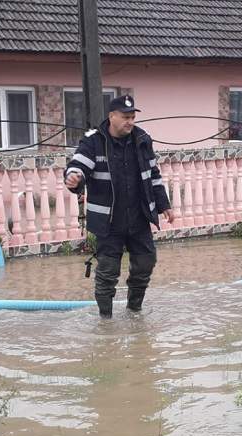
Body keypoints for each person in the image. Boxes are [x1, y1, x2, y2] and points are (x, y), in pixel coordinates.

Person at [63, 95, 175, 318]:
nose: (130, 122)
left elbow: (153, 175)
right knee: (107, 272)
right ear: (111, 116)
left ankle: (134, 310)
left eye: (132, 117)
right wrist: (74, 177)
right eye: (125, 117)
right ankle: (106, 319)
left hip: (139, 216)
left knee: (145, 263)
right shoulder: (93, 141)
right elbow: (78, 165)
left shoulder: (142, 139)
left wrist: (164, 204)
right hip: (108, 221)